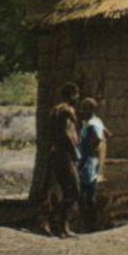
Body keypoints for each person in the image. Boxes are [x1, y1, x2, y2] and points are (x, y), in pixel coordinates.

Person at [43, 83, 81, 237]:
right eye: (76, 95)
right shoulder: (67, 110)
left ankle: (60, 226)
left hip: (55, 154)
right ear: (72, 94)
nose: (78, 98)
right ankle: (56, 221)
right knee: (74, 191)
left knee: (67, 191)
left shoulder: (55, 110)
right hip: (64, 155)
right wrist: (75, 152)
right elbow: (67, 133)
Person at [76, 97, 107, 232]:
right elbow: (107, 134)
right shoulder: (94, 122)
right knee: (88, 193)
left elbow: (97, 140)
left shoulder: (92, 125)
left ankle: (90, 224)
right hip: (89, 160)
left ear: (90, 109)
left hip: (88, 161)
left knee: (87, 194)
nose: (81, 111)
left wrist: (84, 158)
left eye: (84, 108)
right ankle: (90, 223)